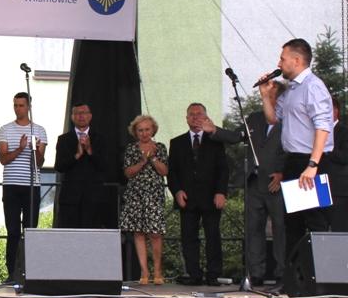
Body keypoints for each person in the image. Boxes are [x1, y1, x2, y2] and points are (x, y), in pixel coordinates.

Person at [259, 38, 333, 295]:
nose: (279, 63)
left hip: (311, 161)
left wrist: (313, 164)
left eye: (282, 58)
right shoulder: (291, 89)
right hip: (293, 161)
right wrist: (266, 96)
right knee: (292, 223)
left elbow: (323, 126)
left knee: (316, 221)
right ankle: (294, 280)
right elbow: (273, 118)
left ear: (297, 60)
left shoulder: (313, 86)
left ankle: (324, 281)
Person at [167, 103, 232, 286]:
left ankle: (213, 275)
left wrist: (221, 192)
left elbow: (223, 169)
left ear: (206, 117)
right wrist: (177, 191)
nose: (195, 117)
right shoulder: (177, 142)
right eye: (191, 114)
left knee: (213, 237)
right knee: (188, 238)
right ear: (186, 118)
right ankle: (194, 274)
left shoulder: (215, 141)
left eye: (199, 114)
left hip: (211, 197)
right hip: (187, 198)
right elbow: (172, 172)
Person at [0, 92, 47, 283]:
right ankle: (12, 273)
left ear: (29, 107)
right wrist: (20, 148)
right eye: (15, 105)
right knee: (13, 231)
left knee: (30, 230)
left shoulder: (39, 130)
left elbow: (39, 163)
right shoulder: (5, 129)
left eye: (21, 105)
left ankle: (30, 272)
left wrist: (35, 150)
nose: (18, 109)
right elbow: (3, 159)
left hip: (31, 186)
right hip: (11, 185)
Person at [119, 115, 168, 286]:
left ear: (153, 130)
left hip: (154, 195)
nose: (144, 133)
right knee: (138, 233)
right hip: (135, 195)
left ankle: (158, 271)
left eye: (147, 129)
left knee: (155, 233)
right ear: (135, 132)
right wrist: (142, 162)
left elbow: (164, 171)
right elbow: (128, 173)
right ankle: (144, 272)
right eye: (140, 130)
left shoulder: (160, 147)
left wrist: (153, 158)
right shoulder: (131, 149)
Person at [243, 109, 286, 286]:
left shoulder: (290, 115)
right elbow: (237, 135)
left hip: (278, 184)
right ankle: (256, 273)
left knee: (281, 229)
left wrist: (283, 173)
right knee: (253, 229)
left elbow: (297, 148)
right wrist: (214, 130)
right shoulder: (255, 117)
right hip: (255, 183)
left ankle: (283, 273)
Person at [54, 102, 108, 228]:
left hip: (93, 197)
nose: (81, 116)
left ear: (90, 116)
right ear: (72, 117)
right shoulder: (64, 139)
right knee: (69, 234)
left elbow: (104, 166)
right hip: (70, 198)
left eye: (84, 113)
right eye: (77, 113)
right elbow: (59, 167)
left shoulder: (100, 139)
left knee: (91, 233)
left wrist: (89, 150)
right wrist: (77, 155)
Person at [320, 97, 347, 231]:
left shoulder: (344, 131)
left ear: (335, 111)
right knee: (319, 226)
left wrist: (327, 148)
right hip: (319, 186)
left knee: (339, 227)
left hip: (338, 189)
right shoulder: (316, 132)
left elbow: (345, 157)